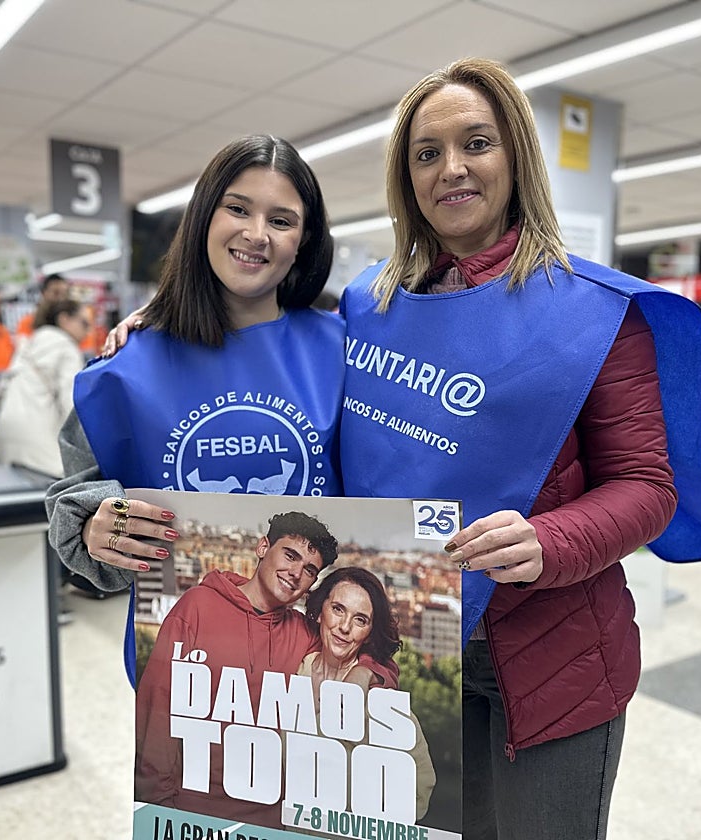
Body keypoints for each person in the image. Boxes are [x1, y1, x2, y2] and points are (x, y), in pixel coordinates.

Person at [335, 58, 701, 839]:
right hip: (414, 649)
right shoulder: (370, 306)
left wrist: (546, 540)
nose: (452, 168)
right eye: (427, 153)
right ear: (405, 178)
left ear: (516, 157)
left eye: (476, 143)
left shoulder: (593, 312)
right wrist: (163, 326)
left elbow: (647, 485)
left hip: (553, 657)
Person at [43, 135, 342, 673]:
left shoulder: (346, 352)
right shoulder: (125, 369)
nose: (256, 234)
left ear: (304, 240)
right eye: (238, 209)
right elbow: (77, 494)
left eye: (281, 220)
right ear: (204, 217)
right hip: (187, 667)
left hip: (308, 671)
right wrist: (94, 527)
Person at [134, 512, 343, 827]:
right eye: (290, 555)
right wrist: (159, 810)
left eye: (309, 570)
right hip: (190, 815)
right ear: (263, 547)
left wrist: (368, 672)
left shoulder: (304, 634)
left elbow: (366, 654)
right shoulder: (196, 607)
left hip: (271, 824)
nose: (296, 573)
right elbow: (157, 711)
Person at [299, 566, 436, 822]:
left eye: (360, 620)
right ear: (319, 611)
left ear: (370, 632)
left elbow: (418, 792)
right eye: (338, 609)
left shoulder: (383, 701)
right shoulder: (292, 668)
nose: (344, 627)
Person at [0, 298, 90, 477]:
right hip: (39, 442)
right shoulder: (67, 347)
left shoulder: (30, 342)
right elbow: (71, 405)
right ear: (64, 319)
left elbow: (2, 388)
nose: (88, 331)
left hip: (5, 432)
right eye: (84, 323)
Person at [14, 273, 70, 340]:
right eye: (56, 293)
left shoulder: (72, 322)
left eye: (65, 294)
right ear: (44, 293)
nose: (61, 299)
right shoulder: (28, 322)